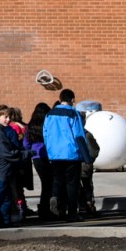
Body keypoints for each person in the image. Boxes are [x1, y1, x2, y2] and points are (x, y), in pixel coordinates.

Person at [42, 89, 89, 222]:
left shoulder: (49, 114)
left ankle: (56, 203)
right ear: (73, 100)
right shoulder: (73, 114)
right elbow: (79, 135)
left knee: (58, 180)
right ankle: (72, 212)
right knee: (72, 183)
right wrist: (86, 156)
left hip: (54, 153)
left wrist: (49, 151)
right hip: (71, 153)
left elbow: (46, 134)